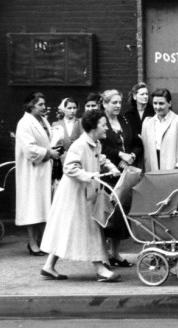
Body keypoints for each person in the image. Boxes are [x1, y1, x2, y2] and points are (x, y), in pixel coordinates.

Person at [40, 109, 121, 282]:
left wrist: (111, 167)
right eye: (103, 125)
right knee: (89, 229)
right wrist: (88, 175)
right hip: (75, 194)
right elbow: (69, 167)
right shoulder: (79, 144)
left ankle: (48, 266)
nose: (107, 128)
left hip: (84, 193)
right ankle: (100, 269)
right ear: (93, 127)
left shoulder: (95, 143)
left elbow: (101, 158)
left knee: (66, 230)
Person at [99, 89, 143, 267]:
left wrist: (131, 156)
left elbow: (137, 143)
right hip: (108, 174)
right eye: (113, 103)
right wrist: (119, 155)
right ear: (105, 104)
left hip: (125, 175)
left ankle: (115, 253)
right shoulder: (101, 123)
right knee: (106, 214)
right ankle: (103, 255)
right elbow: (100, 147)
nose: (118, 106)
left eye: (119, 102)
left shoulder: (125, 120)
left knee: (120, 215)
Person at [15, 92, 59, 256]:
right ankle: (33, 243)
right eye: (40, 104)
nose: (44, 107)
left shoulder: (42, 121)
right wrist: (49, 153)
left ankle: (42, 242)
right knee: (32, 207)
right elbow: (29, 150)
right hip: (31, 172)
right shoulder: (24, 123)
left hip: (43, 171)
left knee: (42, 206)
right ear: (30, 105)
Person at [140, 88, 178, 172]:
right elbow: (143, 150)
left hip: (173, 169)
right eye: (155, 103)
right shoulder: (147, 123)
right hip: (152, 169)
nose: (157, 107)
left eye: (161, 103)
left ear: (169, 103)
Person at [50, 98, 82, 185]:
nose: (72, 110)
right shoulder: (56, 125)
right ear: (64, 109)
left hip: (77, 162)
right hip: (61, 163)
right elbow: (54, 145)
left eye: (74, 108)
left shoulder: (81, 123)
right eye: (69, 108)